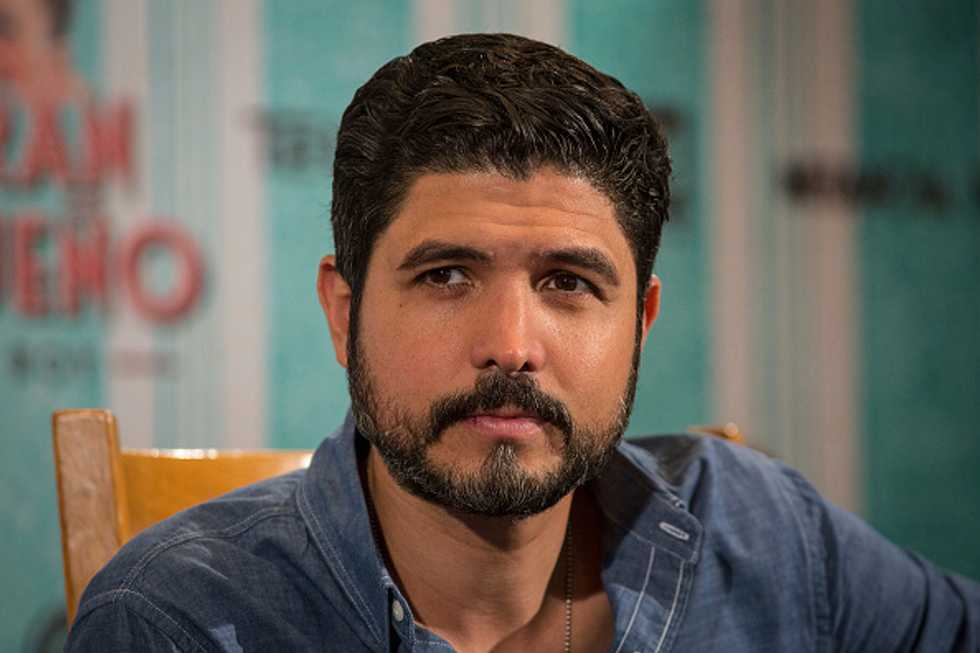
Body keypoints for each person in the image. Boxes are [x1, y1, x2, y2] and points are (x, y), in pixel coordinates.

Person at [65, 33, 979, 652]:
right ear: (343, 312)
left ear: (640, 324)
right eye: (446, 275)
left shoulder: (767, 531)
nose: (510, 345)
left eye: (568, 283)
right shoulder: (176, 619)